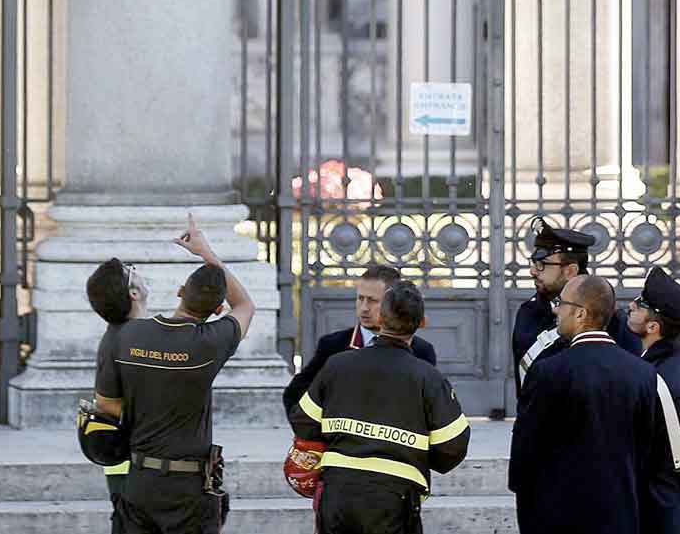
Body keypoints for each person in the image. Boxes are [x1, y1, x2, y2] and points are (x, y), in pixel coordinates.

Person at [94, 214, 257, 534]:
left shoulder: (126, 337)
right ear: (216, 311)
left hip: (141, 481)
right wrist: (206, 253)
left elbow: (107, 407)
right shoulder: (210, 343)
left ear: (180, 291)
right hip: (190, 490)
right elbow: (246, 306)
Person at [288, 281, 471, 534]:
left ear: (381, 318)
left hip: (338, 493)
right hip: (395, 498)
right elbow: (453, 445)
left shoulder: (337, 365)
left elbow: (304, 420)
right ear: (422, 323)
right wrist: (418, 457)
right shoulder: (429, 378)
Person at [509, 275, 664, 534]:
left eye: (562, 303)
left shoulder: (548, 371)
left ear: (580, 314)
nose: (557, 310)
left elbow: (526, 451)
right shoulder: (642, 373)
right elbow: (645, 450)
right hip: (618, 514)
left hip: (557, 514)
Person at [283, 263, 439, 415]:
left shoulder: (421, 351)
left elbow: (428, 408)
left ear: (392, 302)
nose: (364, 308)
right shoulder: (332, 345)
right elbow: (295, 394)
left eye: (372, 300)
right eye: (360, 298)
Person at [512, 219, 641, 390]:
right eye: (534, 263)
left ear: (570, 271)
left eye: (542, 264)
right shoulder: (529, 313)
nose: (533, 271)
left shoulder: (613, 321)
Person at [627, 267, 680, 534]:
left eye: (640, 305)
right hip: (673, 498)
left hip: (653, 503)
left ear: (653, 326)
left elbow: (637, 448)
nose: (631, 306)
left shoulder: (655, 378)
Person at [82, 258, 152, 533]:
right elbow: (108, 409)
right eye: (131, 271)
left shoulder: (124, 336)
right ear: (133, 293)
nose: (138, 271)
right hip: (131, 469)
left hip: (138, 467)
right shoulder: (123, 341)